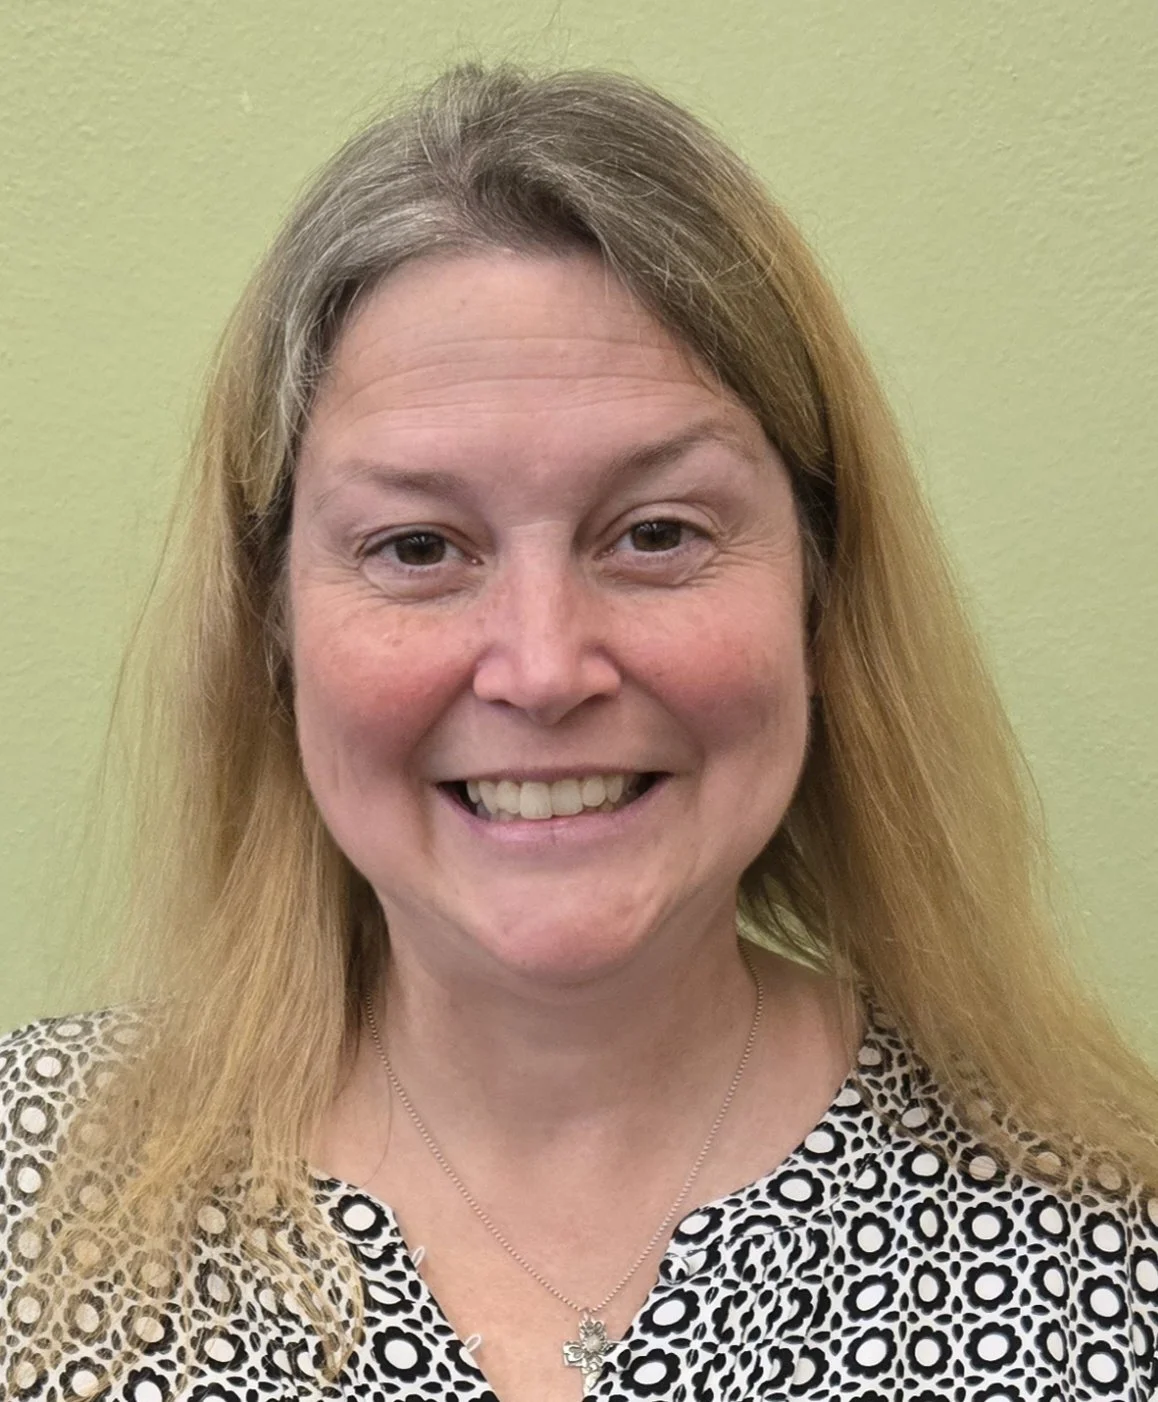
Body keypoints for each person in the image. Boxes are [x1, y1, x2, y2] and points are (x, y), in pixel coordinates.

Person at [1, 62, 1156, 1402]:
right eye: (418, 545)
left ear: (820, 598)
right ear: (271, 632)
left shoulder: (1105, 1257)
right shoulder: (30, 1200)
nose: (543, 668)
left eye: (656, 532)